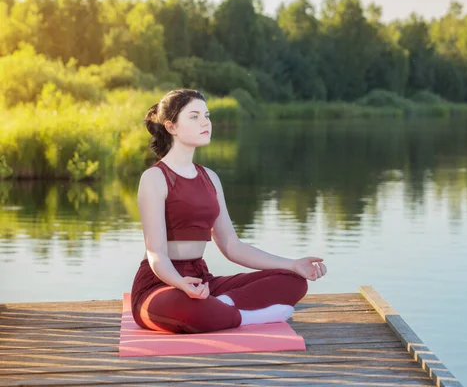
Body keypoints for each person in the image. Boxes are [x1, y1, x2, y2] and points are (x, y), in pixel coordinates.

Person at [130, 89, 327, 334]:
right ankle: (245, 317)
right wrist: (180, 283)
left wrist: (293, 264)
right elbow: (156, 254)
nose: (205, 122)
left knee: (293, 282)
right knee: (188, 308)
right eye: (194, 116)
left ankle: (223, 307)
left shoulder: (210, 178)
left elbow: (232, 246)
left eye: (207, 115)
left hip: (202, 280)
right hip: (160, 284)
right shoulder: (155, 178)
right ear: (171, 127)